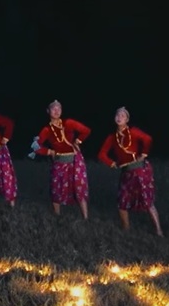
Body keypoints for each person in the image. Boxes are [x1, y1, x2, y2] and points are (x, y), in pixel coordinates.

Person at [95, 106, 159, 235]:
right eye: (117, 115)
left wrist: (144, 154)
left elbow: (147, 139)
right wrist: (112, 163)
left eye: (123, 116)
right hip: (126, 172)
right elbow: (101, 154)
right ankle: (126, 230)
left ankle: (159, 230)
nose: (119, 118)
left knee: (147, 201)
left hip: (140, 170)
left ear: (127, 120)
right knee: (122, 202)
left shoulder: (133, 131)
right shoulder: (112, 137)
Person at [34, 100, 91, 219]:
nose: (56, 111)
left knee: (79, 187)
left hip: (74, 161)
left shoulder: (68, 122)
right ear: (48, 111)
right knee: (56, 188)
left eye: (59, 108)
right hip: (59, 161)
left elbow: (86, 131)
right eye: (53, 108)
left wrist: (77, 141)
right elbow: (35, 147)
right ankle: (57, 216)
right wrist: (49, 152)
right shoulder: (47, 129)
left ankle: (85, 218)